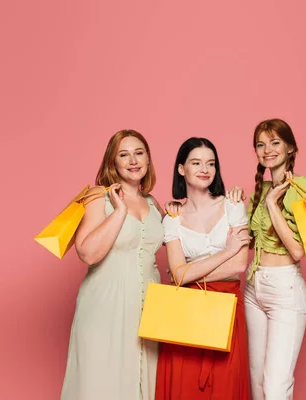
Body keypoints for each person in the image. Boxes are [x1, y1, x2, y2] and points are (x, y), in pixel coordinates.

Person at [60, 129, 166, 400]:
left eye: (139, 153)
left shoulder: (154, 203)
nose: (133, 160)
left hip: (150, 307)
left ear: (148, 160)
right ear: (113, 163)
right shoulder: (98, 197)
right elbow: (87, 253)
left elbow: (181, 248)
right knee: (101, 382)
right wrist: (119, 211)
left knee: (144, 381)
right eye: (124, 154)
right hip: (105, 304)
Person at [226, 118, 306, 400]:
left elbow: (298, 250)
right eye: (260, 144)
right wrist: (235, 209)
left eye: (275, 142)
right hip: (254, 289)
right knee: (256, 383)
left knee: (276, 388)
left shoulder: (303, 187)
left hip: (285, 291)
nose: (267, 149)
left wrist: (272, 206)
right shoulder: (261, 190)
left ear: (291, 148)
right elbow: (252, 244)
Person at [155, 137, 252, 400]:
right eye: (196, 162)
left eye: (211, 163)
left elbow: (240, 265)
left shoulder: (233, 204)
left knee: (225, 385)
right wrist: (227, 251)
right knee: (185, 387)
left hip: (227, 305)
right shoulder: (173, 217)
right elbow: (178, 274)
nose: (204, 169)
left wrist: (189, 273)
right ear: (181, 169)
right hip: (186, 311)